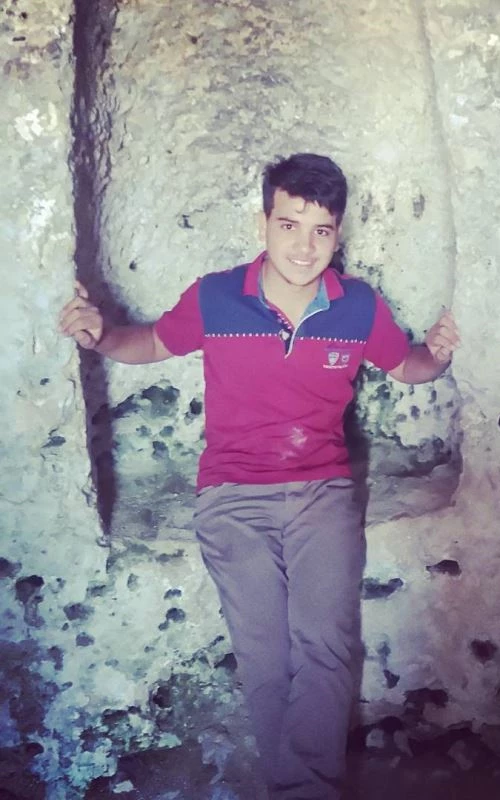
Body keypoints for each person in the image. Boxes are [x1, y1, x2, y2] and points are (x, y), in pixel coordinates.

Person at [59, 153, 460, 799]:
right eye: (289, 225)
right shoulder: (216, 296)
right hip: (232, 497)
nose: (304, 246)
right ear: (263, 223)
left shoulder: (358, 306)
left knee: (327, 647)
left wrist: (436, 356)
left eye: (321, 230)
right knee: (266, 655)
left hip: (324, 493)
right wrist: (103, 336)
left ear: (338, 233)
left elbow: (408, 366)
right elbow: (153, 343)